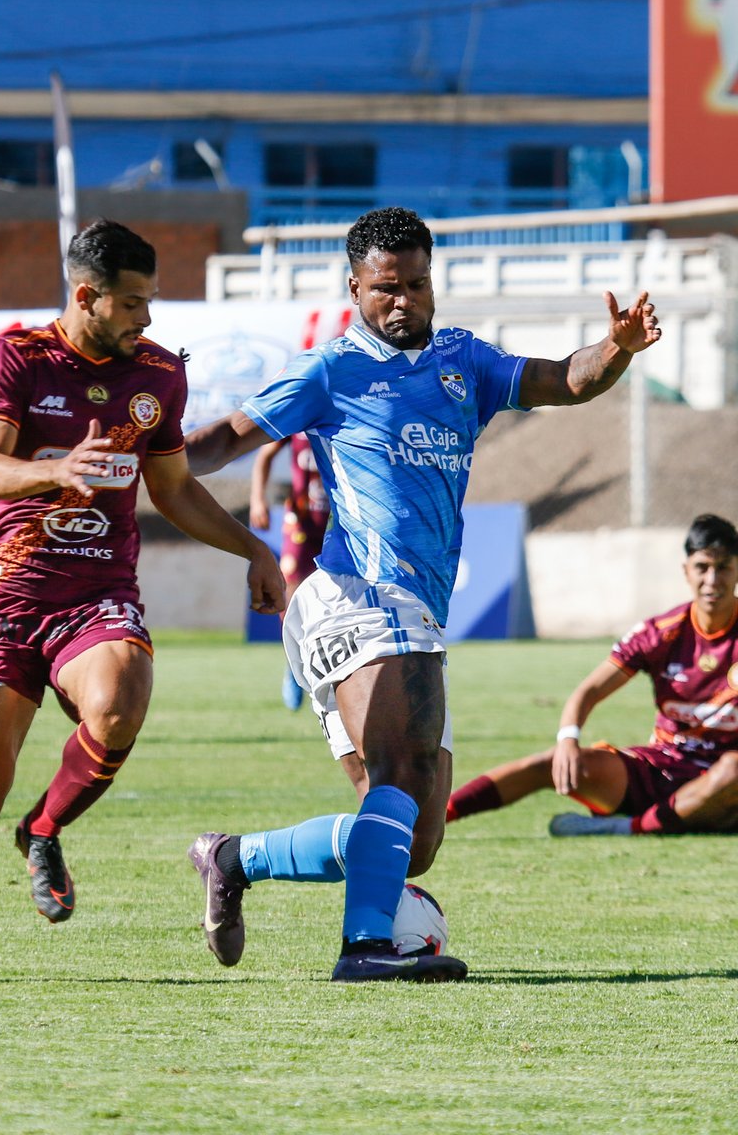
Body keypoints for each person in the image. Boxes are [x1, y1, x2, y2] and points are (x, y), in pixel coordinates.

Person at [184, 206, 661, 983]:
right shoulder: (330, 370)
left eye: (415, 283)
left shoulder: (462, 362)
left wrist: (616, 349)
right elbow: (226, 439)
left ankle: (236, 859)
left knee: (416, 828)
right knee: (402, 774)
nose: (402, 300)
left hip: (414, 610)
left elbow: (563, 381)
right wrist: (151, 445)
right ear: (354, 288)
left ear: (432, 280)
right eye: (384, 289)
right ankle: (366, 949)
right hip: (357, 593)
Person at [0, 218, 284, 987]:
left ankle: (43, 829)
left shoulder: (157, 376)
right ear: (86, 296)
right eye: (134, 304)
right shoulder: (16, 359)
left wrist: (255, 548)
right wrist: (54, 471)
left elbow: (171, 489)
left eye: (150, 302)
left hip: (96, 595)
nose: (147, 319)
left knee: (119, 701)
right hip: (6, 593)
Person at [447, 513, 738, 837]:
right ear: (686, 571)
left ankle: (629, 828)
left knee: (733, 770)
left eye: (723, 567)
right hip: (665, 766)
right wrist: (568, 740)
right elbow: (587, 693)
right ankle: (434, 818)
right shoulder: (661, 633)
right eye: (702, 567)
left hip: (728, 778)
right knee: (552, 762)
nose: (712, 580)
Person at [249, 432, 331, 710]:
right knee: (291, 593)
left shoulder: (348, 413)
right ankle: (293, 663)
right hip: (302, 520)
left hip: (340, 520)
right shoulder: (301, 415)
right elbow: (265, 454)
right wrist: (258, 498)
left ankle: (331, 665)